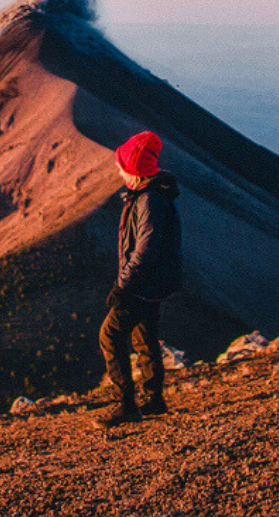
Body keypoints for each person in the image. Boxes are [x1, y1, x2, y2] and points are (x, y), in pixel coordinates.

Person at [96, 129, 182, 427]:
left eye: (121, 165)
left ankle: (125, 405)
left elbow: (144, 248)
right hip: (152, 284)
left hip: (141, 286)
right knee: (144, 339)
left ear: (133, 169)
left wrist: (123, 286)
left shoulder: (149, 200)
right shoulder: (150, 196)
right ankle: (153, 400)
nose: (117, 169)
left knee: (110, 335)